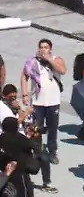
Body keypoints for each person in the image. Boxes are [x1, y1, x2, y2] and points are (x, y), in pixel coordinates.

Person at [22, 38, 65, 178]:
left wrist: (49, 60)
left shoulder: (56, 59)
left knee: (52, 128)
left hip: (53, 101)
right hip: (38, 101)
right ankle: (37, 150)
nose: (43, 49)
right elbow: (24, 76)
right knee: (36, 128)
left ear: (50, 49)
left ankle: (52, 152)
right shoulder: (32, 61)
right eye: (41, 47)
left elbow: (62, 70)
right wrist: (24, 94)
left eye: (46, 47)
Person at [0, 116, 39, 197]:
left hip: (5, 174)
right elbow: (34, 148)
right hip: (20, 173)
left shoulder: (1, 138)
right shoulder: (20, 138)